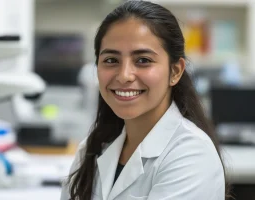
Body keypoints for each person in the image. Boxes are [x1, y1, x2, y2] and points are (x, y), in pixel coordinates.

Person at [60, 1, 227, 199]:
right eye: (111, 60)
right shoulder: (91, 149)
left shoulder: (192, 155)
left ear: (175, 71)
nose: (124, 75)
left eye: (143, 60)